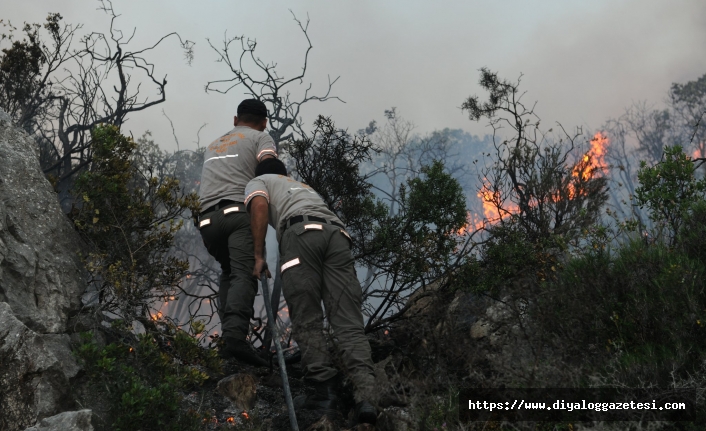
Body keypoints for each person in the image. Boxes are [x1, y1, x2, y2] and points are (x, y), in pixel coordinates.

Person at [244, 158, 377, 425]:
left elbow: (258, 206)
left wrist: (258, 256)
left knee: (308, 317)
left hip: (301, 235)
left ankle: (324, 396)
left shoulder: (259, 182)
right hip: (337, 236)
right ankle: (367, 397)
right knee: (348, 322)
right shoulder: (302, 186)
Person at [197, 99, 277, 367]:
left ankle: (228, 340)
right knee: (246, 272)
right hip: (237, 214)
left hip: (206, 220)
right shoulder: (261, 137)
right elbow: (268, 168)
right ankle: (234, 340)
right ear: (263, 122)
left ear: (235, 120)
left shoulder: (214, 144)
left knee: (229, 272)